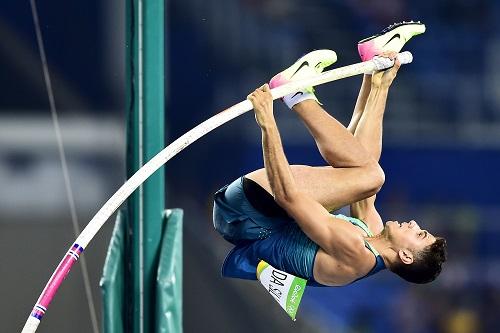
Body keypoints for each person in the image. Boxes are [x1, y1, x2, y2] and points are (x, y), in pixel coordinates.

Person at [212, 22, 446, 287]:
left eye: (420, 234)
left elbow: (287, 196)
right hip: (261, 213)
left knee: (372, 177)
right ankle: (375, 54)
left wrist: (267, 123)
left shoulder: (356, 255)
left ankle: (296, 93)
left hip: (247, 213)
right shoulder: (371, 233)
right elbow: (359, 156)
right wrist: (379, 82)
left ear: (405, 256)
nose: (415, 223)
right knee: (366, 173)